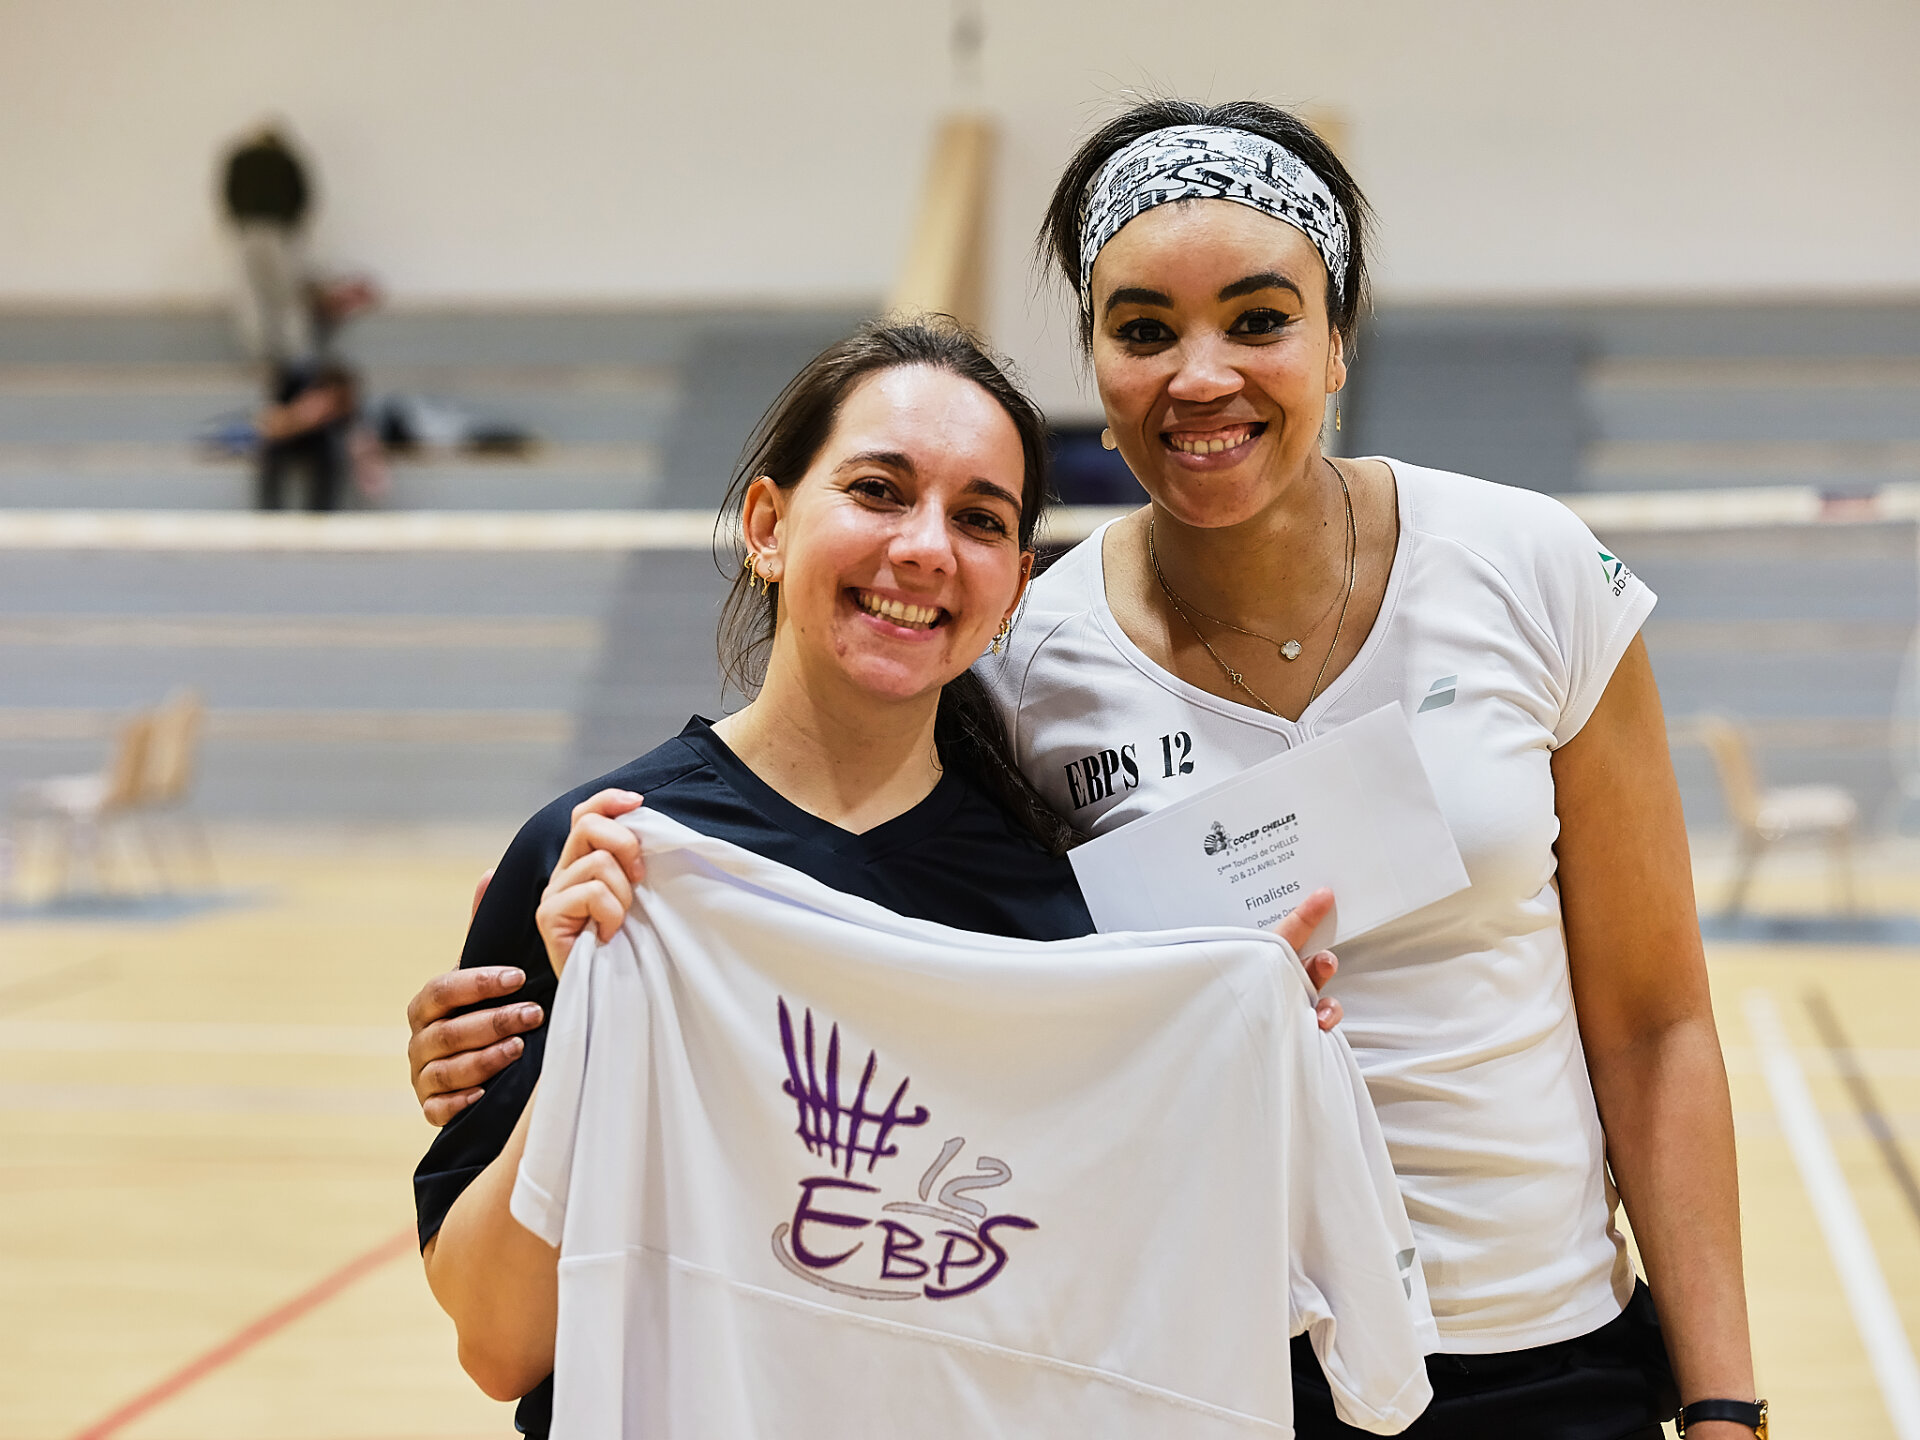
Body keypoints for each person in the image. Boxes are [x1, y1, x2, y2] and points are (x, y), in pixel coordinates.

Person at [412, 103, 1760, 1439]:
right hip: (1205, 1355)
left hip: (1542, 1344)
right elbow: (839, 874)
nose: (1202, 374)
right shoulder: (1012, 673)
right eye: (1144, 329)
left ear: (1338, 339)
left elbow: (1656, 1024)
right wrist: (591, 1005)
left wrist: (1722, 1403)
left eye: (1261, 318)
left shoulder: (1528, 569)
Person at [414, 315, 1354, 1433]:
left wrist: (1231, 1043)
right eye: (878, 491)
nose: (925, 548)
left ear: (1015, 588)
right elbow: (499, 1344)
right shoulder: (602, 864)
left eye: (980, 519)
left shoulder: (1068, 928)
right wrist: (589, 1037)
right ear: (768, 525)